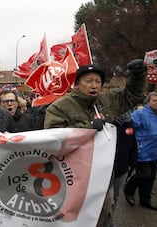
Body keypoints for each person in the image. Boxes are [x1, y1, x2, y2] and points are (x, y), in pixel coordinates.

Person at [44, 60, 147, 226]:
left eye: (98, 81)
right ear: (77, 84)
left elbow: (132, 95)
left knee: (103, 216)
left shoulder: (107, 100)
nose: (94, 85)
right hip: (73, 178)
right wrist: (88, 128)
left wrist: (138, 75)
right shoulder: (59, 107)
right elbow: (53, 138)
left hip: (102, 177)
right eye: (88, 81)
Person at [124, 92, 157, 210]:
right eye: (154, 101)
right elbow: (129, 128)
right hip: (142, 150)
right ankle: (128, 189)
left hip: (154, 151)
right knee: (144, 174)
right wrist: (133, 143)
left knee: (151, 177)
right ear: (148, 102)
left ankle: (145, 200)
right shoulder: (140, 113)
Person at [108, 110, 138, 225]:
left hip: (122, 167)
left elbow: (133, 144)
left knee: (115, 196)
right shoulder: (106, 121)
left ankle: (111, 222)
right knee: (107, 198)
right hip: (106, 168)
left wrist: (132, 163)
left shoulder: (129, 122)